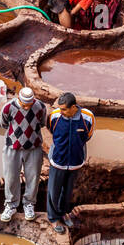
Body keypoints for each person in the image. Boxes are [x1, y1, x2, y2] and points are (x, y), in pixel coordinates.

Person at [46, 93, 94, 234]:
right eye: (60, 109)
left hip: (75, 161)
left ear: (73, 107)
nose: (61, 112)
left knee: (67, 192)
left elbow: (88, 136)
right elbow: (51, 129)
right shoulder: (55, 116)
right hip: (58, 160)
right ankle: (53, 218)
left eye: (64, 110)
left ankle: (63, 213)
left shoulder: (87, 117)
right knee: (53, 191)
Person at [0, 86, 48, 222]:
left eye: (29, 104)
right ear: (19, 100)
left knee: (33, 178)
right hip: (12, 147)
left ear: (33, 101)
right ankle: (10, 205)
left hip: (34, 147)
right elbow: (4, 124)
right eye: (24, 104)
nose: (26, 107)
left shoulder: (40, 107)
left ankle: (29, 204)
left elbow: (42, 123)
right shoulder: (8, 107)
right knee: (10, 177)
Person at [46, 0, 112, 30]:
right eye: (103, 0)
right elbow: (73, 12)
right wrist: (72, 20)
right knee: (68, 29)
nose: (101, 2)